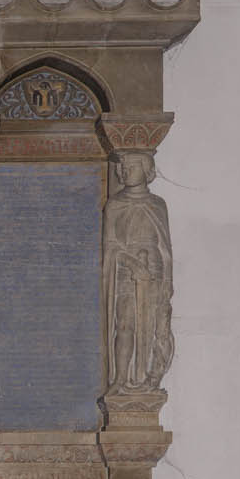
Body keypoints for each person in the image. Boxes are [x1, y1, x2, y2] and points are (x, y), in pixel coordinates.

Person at [103, 151, 174, 393]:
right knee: (124, 325)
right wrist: (130, 262)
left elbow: (166, 249)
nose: (125, 171)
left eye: (132, 167)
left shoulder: (157, 205)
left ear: (147, 170)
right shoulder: (115, 205)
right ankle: (120, 379)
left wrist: (168, 281)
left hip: (154, 271)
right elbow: (110, 246)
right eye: (123, 168)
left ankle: (149, 379)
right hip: (126, 271)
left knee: (153, 326)